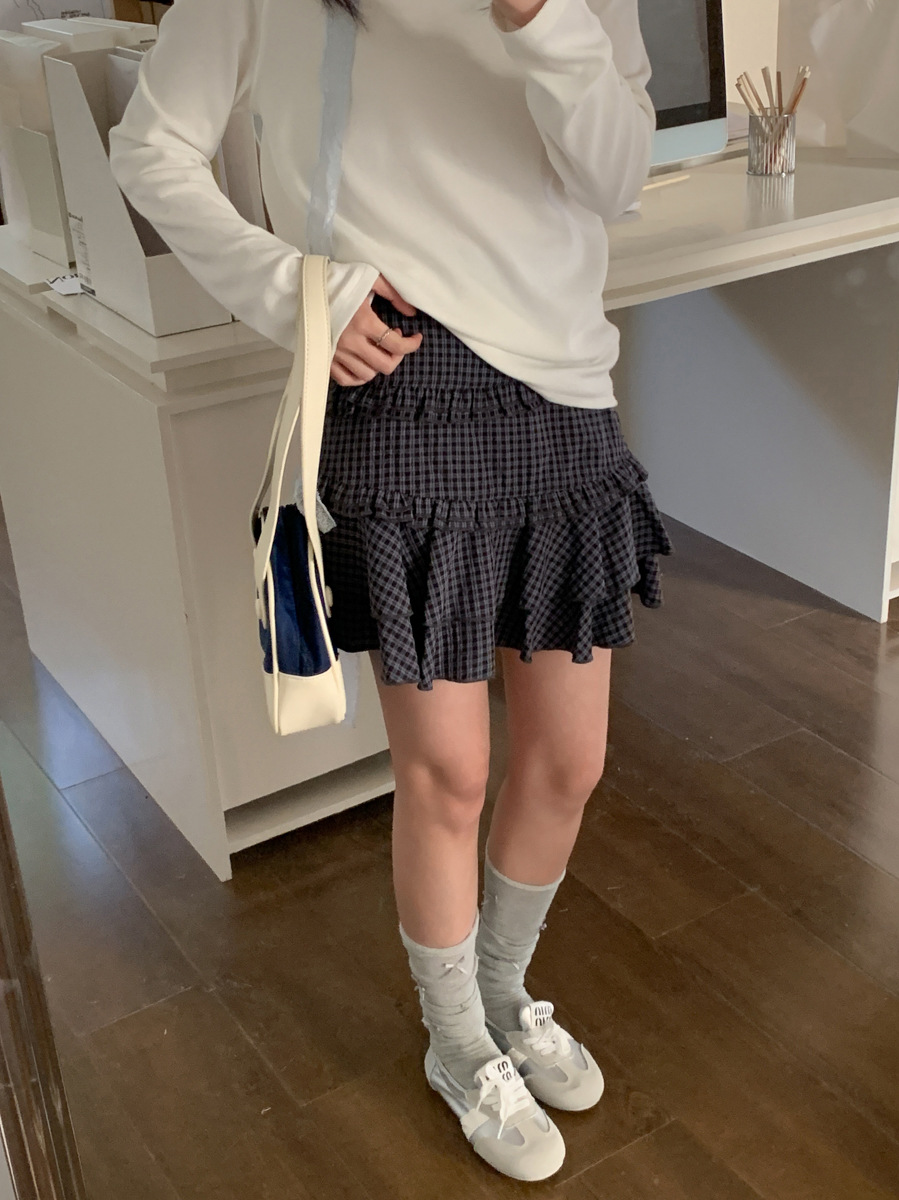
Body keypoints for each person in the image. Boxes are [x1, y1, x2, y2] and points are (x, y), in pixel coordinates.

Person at [108, 0, 673, 1182]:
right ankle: (458, 1045)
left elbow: (616, 177)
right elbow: (151, 143)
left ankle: (504, 994)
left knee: (570, 759)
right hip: (406, 384)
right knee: (448, 772)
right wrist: (294, 293)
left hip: (566, 388)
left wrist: (539, 17)